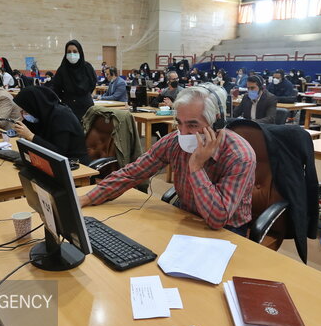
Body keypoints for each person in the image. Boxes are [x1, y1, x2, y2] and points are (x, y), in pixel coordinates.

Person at [79, 83, 256, 236]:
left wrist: (196, 166)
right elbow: (133, 173)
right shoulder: (174, 142)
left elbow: (218, 218)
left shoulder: (239, 156)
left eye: (192, 125)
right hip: (185, 215)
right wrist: (88, 198)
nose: (183, 132)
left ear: (216, 123)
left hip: (228, 229)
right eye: (179, 122)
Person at [13, 86, 90, 164]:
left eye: (25, 111)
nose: (23, 114)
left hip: (74, 163)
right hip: (47, 160)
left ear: (35, 105)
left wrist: (30, 136)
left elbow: (58, 152)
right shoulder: (41, 114)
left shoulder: (61, 116)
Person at [51, 40, 96, 120]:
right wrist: (66, 97)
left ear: (80, 52)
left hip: (87, 107)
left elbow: (92, 84)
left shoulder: (87, 68)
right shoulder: (62, 70)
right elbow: (56, 88)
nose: (72, 54)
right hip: (68, 108)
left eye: (75, 51)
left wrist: (84, 95)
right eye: (69, 52)